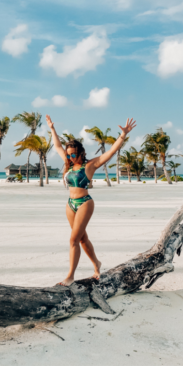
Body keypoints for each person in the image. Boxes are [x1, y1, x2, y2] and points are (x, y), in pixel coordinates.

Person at [46, 114, 136, 286]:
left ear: (81, 153)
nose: (70, 158)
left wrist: (123, 135)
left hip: (84, 203)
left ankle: (70, 276)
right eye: (69, 155)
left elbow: (110, 152)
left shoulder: (90, 165)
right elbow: (57, 145)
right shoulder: (69, 164)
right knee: (81, 239)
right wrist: (52, 128)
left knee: (73, 240)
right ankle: (97, 264)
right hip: (70, 204)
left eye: (73, 155)